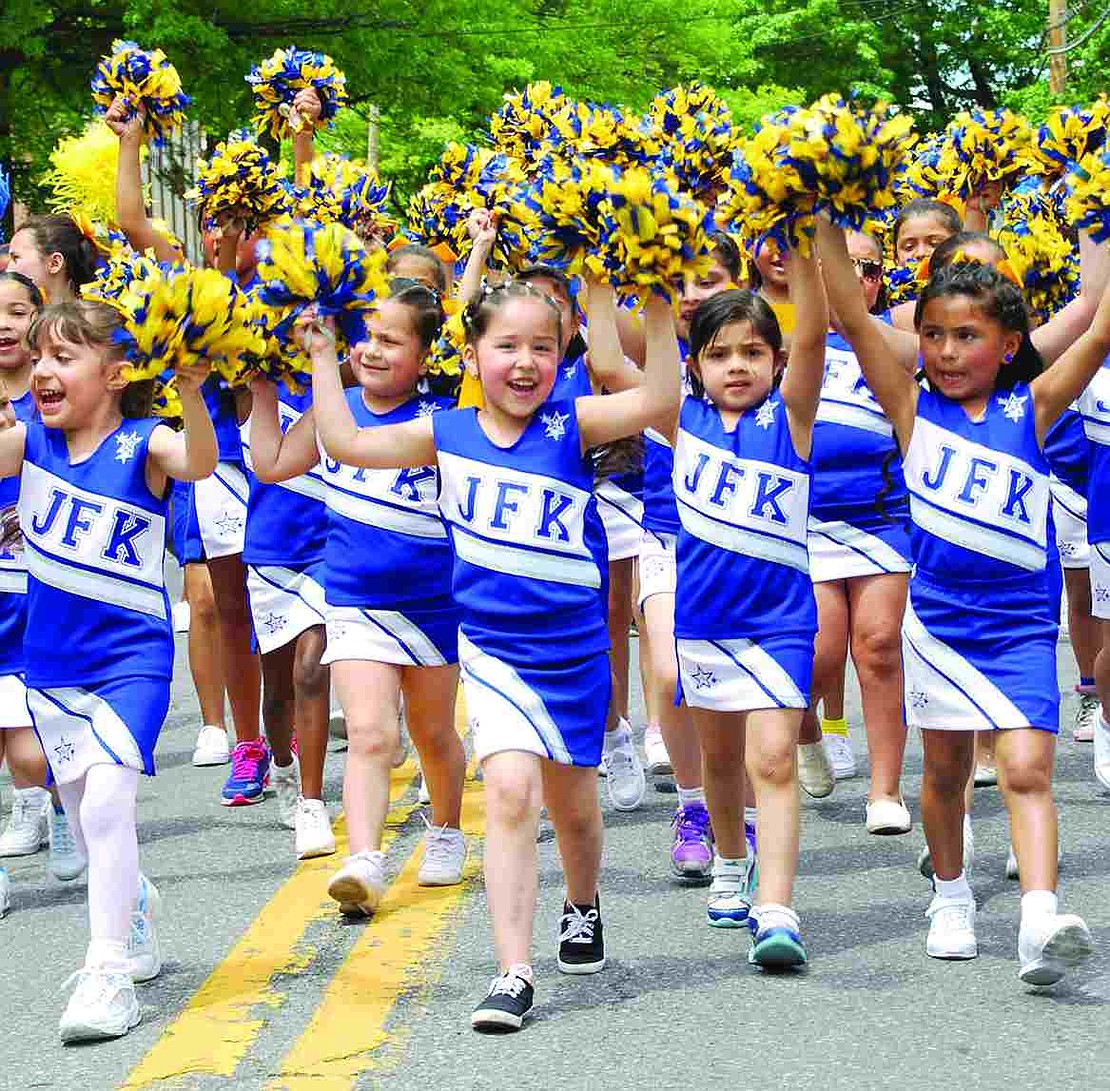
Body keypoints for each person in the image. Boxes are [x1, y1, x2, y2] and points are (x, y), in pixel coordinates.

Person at [309, 278, 680, 1032]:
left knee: (575, 808)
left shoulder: (572, 423)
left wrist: (660, 303)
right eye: (505, 345)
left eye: (542, 346)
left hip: (575, 653)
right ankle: (513, 969)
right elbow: (345, 442)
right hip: (493, 652)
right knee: (511, 793)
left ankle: (582, 902)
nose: (524, 362)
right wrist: (323, 356)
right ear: (471, 352)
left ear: (562, 350)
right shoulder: (444, 430)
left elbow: (660, 398)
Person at [818, 216, 1106, 985]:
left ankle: (1040, 918)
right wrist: (814, 214)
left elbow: (1101, 327)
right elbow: (850, 312)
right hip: (939, 626)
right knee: (943, 775)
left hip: (1017, 628)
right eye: (936, 336)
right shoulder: (910, 408)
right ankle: (950, 895)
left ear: (1008, 343)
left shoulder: (1033, 407)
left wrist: (1102, 224)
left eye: (968, 337)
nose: (947, 353)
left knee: (1026, 770)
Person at [0, 299, 216, 1039]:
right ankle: (136, 905)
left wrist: (190, 388)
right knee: (91, 826)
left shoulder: (145, 442)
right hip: (53, 667)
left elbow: (202, 462)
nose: (47, 370)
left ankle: (106, 972)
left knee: (102, 806)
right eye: (41, 357)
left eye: (65, 357)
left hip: (132, 661)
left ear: (117, 373)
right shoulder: (27, 442)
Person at [248, 280, 468, 903]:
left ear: (427, 355)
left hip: (431, 604)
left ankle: (447, 830)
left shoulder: (445, 419)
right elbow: (270, 464)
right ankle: (365, 859)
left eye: (391, 341)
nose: (371, 350)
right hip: (351, 599)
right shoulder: (334, 406)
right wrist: (262, 389)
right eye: (366, 335)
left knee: (431, 733)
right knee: (371, 734)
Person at [672, 247, 826, 965]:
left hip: (781, 624)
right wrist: (624, 269)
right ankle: (732, 860)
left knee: (774, 758)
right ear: (696, 363)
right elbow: (613, 356)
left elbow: (818, 336)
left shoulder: (791, 418)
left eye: (754, 351)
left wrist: (813, 244)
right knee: (721, 760)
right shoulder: (678, 418)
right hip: (703, 624)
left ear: (777, 358)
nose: (737, 365)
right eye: (720, 353)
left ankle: (778, 906)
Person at [106, 96, 260, 774]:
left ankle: (274, 730)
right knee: (209, 596)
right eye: (213, 219)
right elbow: (132, 220)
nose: (222, 231)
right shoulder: (181, 274)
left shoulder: (278, 287)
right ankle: (226, 727)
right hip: (207, 456)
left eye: (236, 220)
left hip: (269, 458)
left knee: (264, 599)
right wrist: (131, 139)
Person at [801, 229, 912, 833]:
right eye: (844, 266)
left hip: (880, 519)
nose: (858, 279)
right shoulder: (787, 339)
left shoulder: (895, 344)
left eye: (871, 269)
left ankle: (885, 790)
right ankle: (806, 727)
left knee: (878, 647)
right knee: (816, 657)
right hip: (805, 523)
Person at [0, 271, 82, 882]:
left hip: (43, 603)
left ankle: (55, 809)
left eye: (16, 310)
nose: (3, 323)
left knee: (34, 747)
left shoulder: (55, 401)